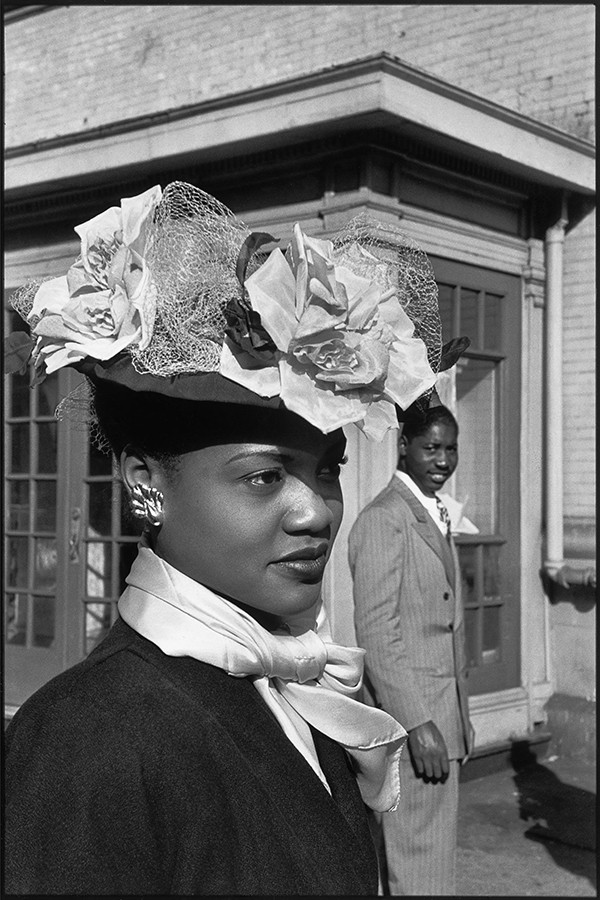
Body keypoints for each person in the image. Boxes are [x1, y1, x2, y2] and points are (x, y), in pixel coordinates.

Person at [4, 181, 444, 894]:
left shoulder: (297, 682)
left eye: (326, 470)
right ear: (146, 482)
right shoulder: (87, 738)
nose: (317, 512)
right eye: (265, 477)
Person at [348, 403, 474, 896]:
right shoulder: (386, 519)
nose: (443, 460)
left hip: (443, 719)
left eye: (451, 449)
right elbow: (377, 631)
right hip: (415, 725)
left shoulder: (430, 512)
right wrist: (420, 724)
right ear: (403, 446)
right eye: (431, 448)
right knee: (416, 861)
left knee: (429, 857)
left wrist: (458, 718)